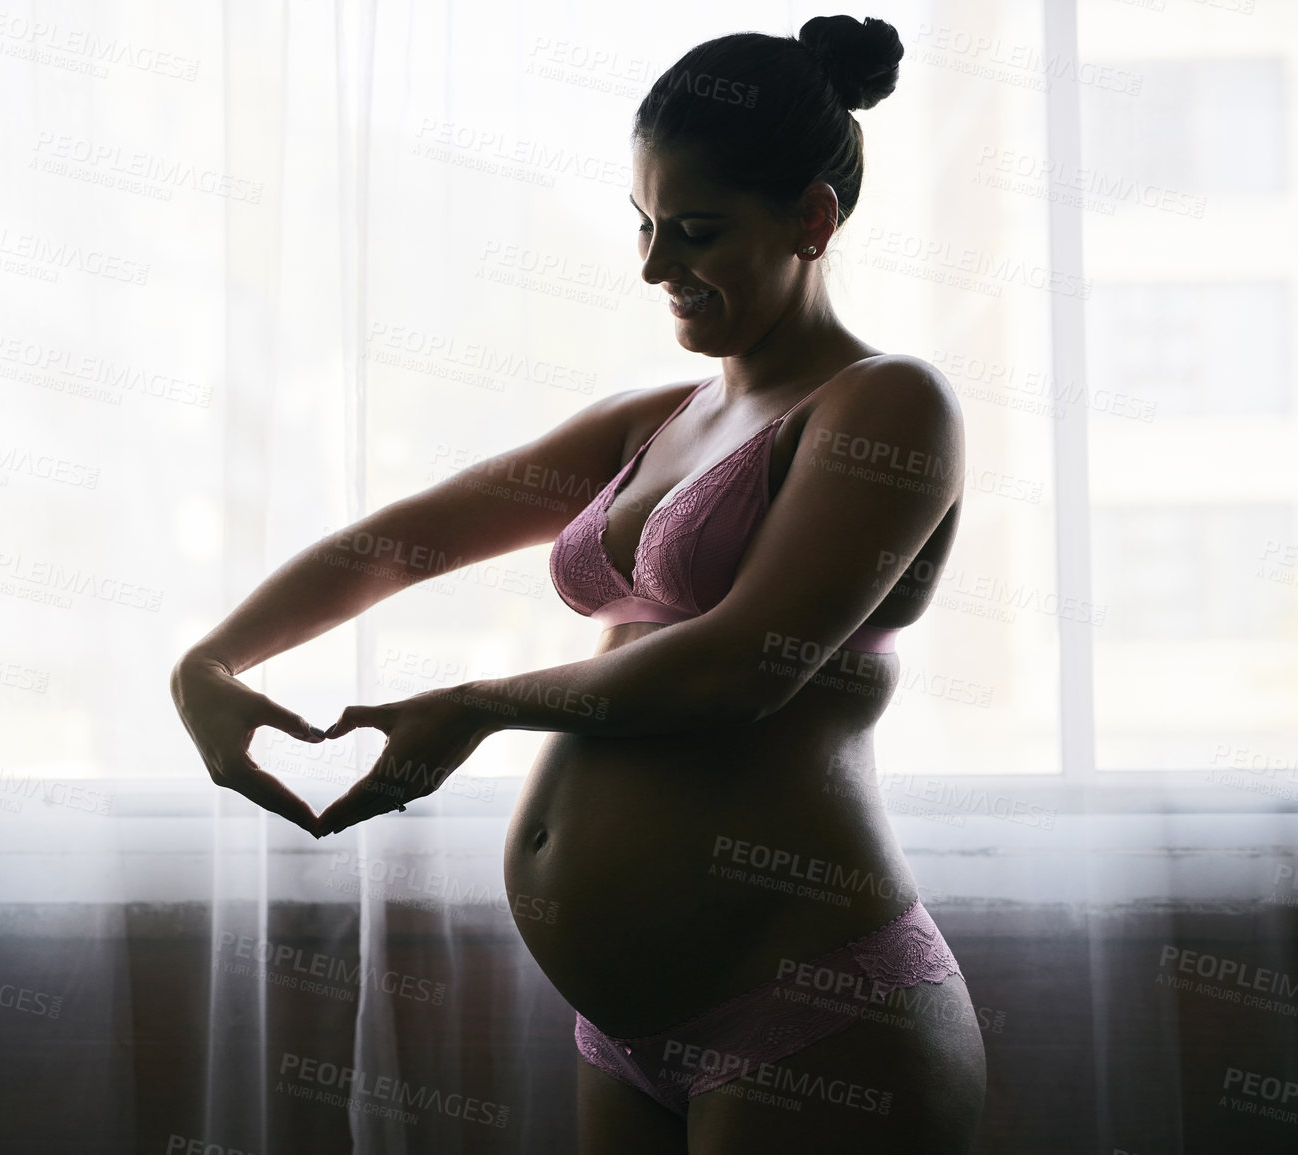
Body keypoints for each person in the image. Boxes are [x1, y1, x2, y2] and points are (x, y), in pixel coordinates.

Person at [169, 14, 987, 1152]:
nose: (655, 266)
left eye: (695, 230)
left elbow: (743, 665)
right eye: (646, 225)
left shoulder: (891, 406)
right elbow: (409, 539)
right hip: (623, 1030)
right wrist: (209, 663)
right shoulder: (658, 419)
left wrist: (479, 702)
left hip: (814, 1016)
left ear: (812, 218)